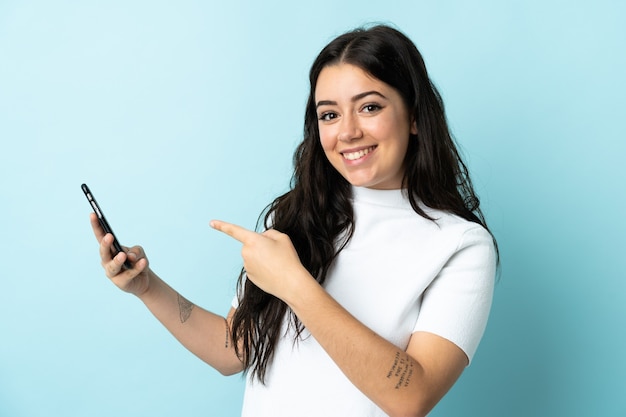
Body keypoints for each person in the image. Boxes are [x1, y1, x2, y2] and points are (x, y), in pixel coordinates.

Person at [90, 24, 498, 417]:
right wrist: (147, 287)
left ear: (413, 116)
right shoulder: (295, 218)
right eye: (329, 115)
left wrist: (294, 284)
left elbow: (412, 398)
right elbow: (232, 351)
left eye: (370, 107)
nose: (348, 131)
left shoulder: (460, 245)